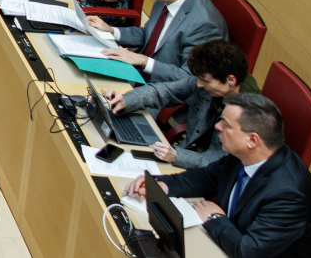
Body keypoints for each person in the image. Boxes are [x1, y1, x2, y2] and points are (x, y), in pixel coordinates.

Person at [124, 94, 311, 258]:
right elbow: (207, 177)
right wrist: (160, 185)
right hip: (227, 241)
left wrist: (214, 217)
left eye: (226, 125)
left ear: (252, 140)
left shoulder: (289, 195)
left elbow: (248, 252)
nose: (217, 126)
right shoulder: (244, 154)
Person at [88, 0, 229, 83]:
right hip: (137, 76)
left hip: (162, 92)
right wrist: (111, 31)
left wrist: (143, 61)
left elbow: (189, 79)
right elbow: (149, 34)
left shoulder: (203, 25)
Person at [106, 39, 249, 171]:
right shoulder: (211, 80)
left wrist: (176, 156)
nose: (199, 85)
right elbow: (164, 91)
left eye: (205, 81)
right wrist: (126, 100)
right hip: (184, 155)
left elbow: (216, 163)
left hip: (202, 173)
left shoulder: (245, 116)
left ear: (231, 80)